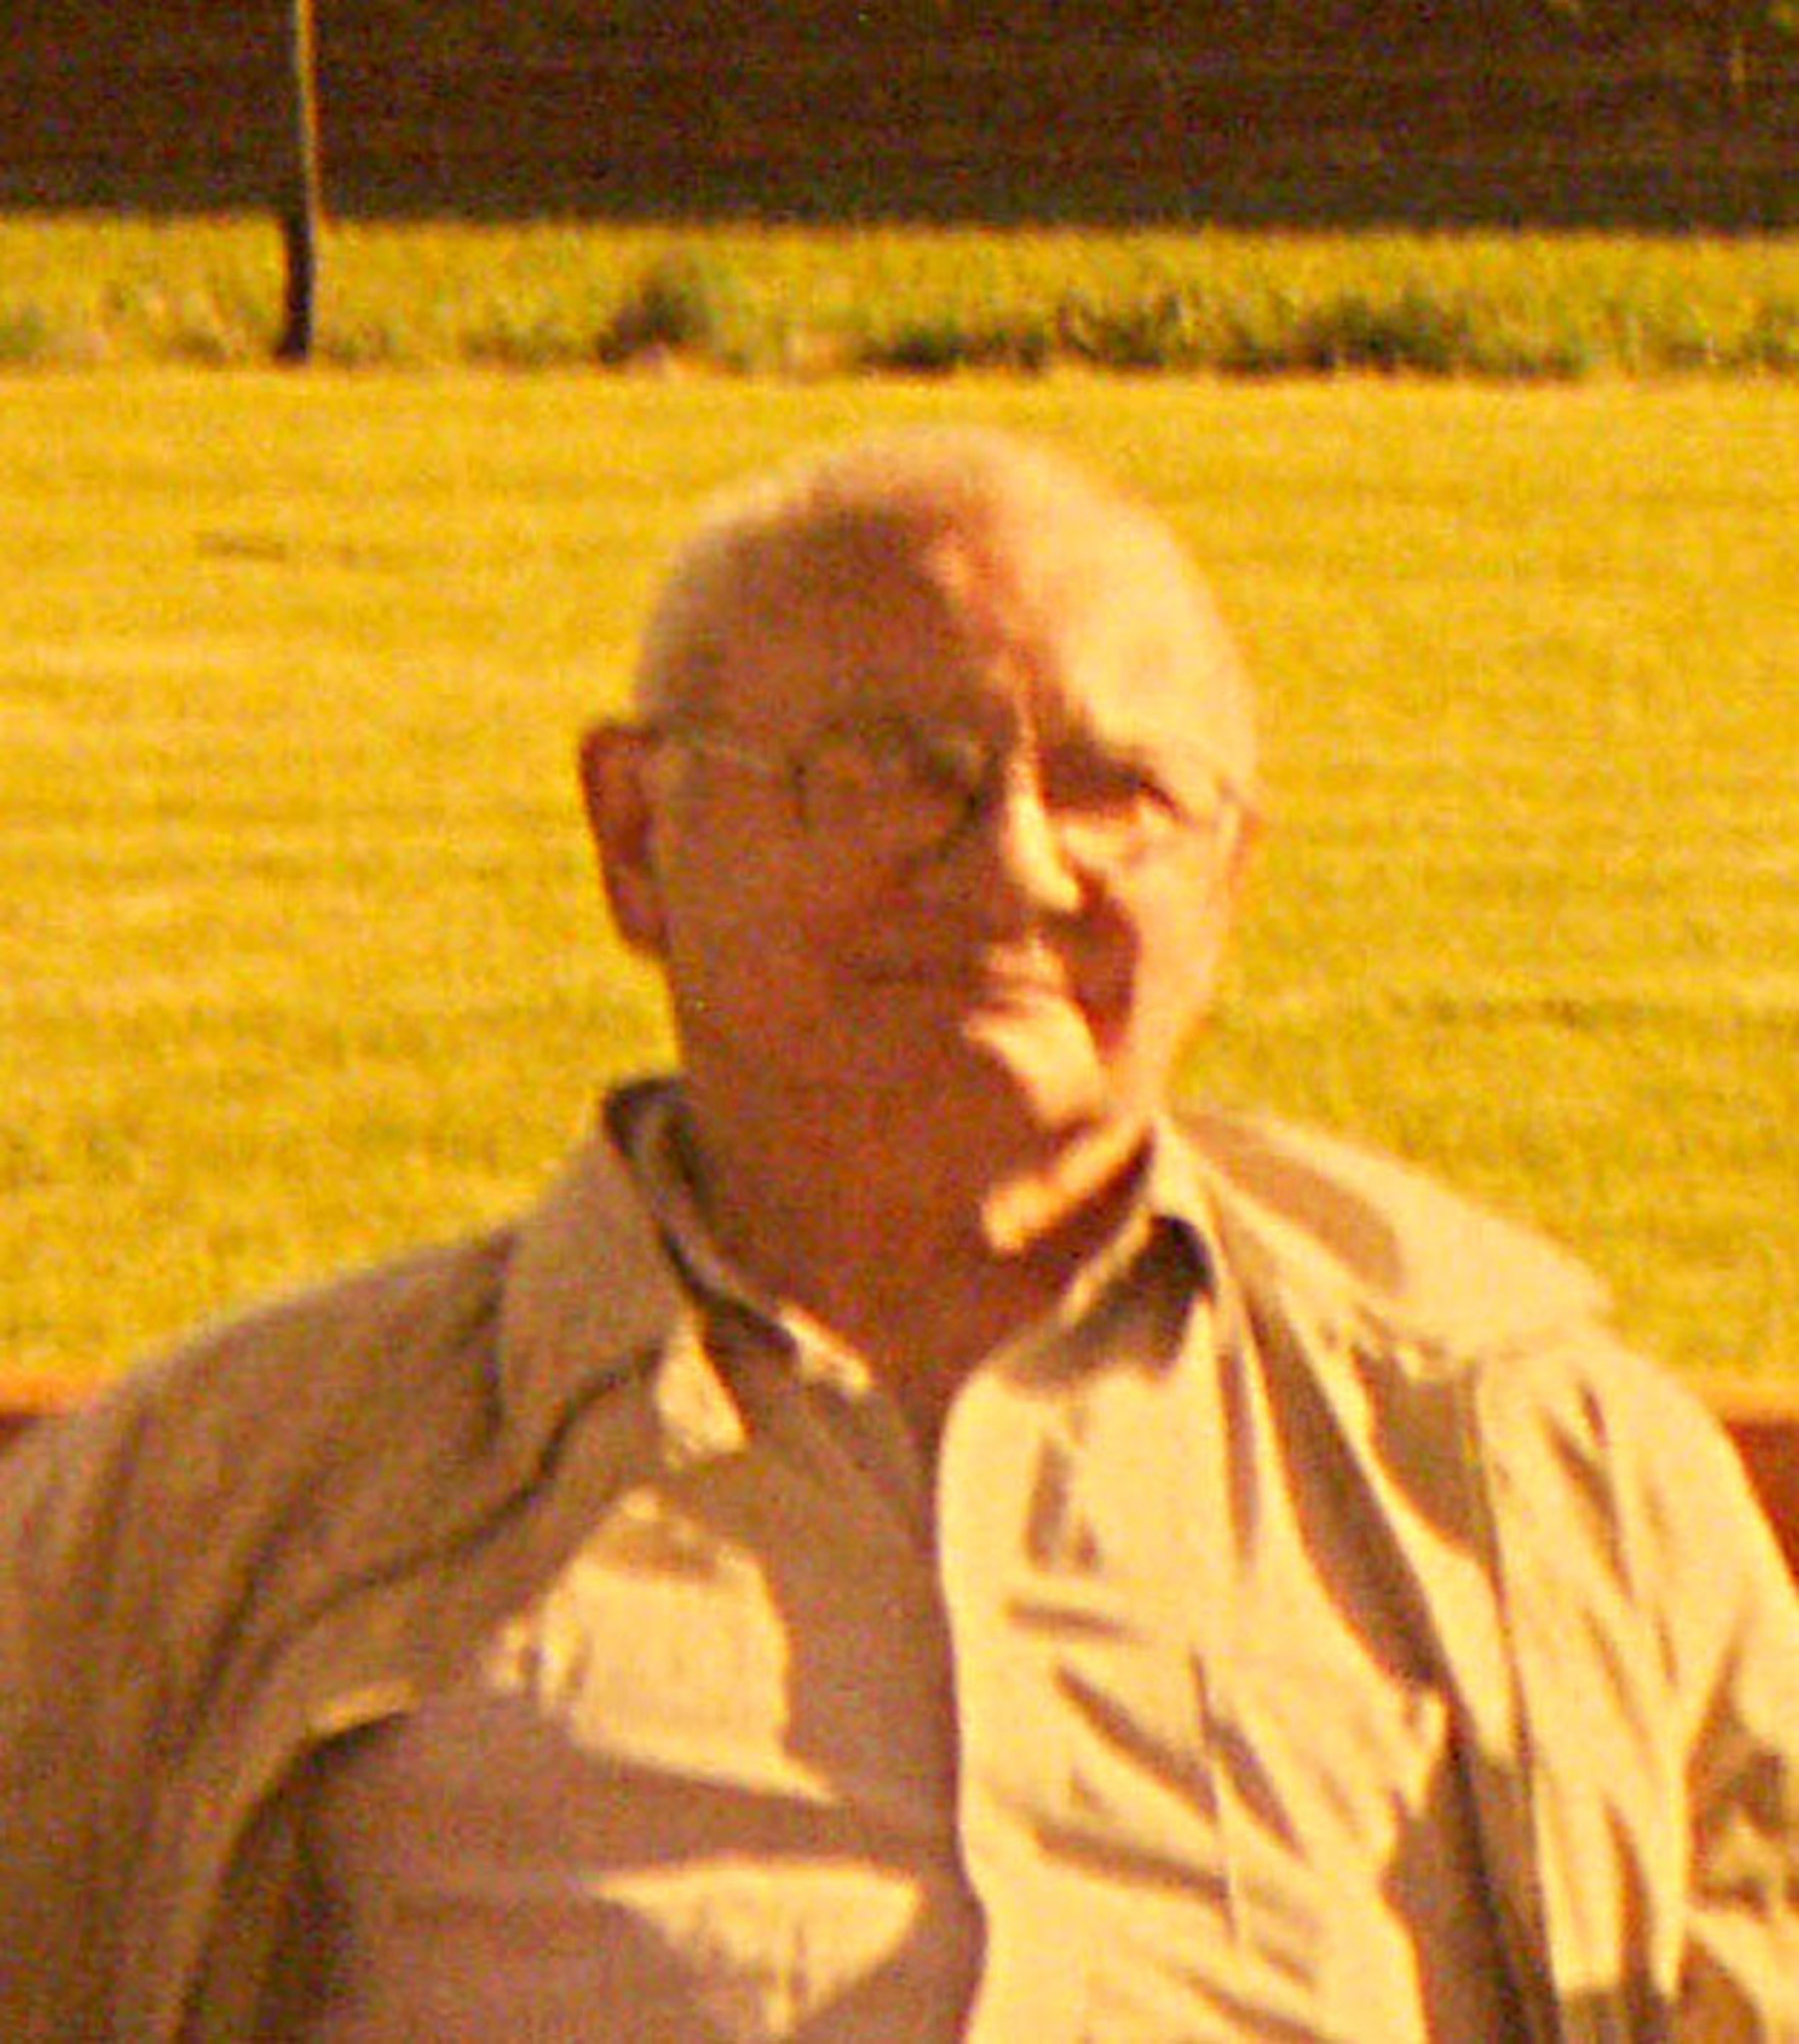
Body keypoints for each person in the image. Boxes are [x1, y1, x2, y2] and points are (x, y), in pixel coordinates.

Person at [2, 426, 1796, 2042]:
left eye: (1118, 793)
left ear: (1231, 876)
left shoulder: (1526, 1476)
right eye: (886, 774)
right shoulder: (229, 1501)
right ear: (636, 834)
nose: (1014, 866)